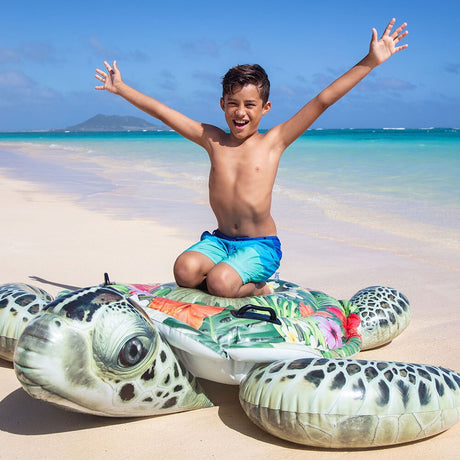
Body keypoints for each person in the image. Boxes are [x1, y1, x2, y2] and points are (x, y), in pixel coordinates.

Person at [95, 18, 408, 298]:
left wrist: (371, 61)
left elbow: (323, 100)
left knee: (218, 282)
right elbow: (165, 113)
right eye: (233, 103)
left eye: (249, 104)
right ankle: (227, 276)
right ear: (222, 104)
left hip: (259, 247)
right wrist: (122, 88)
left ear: (265, 108)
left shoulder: (274, 142)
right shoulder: (213, 140)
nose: (240, 112)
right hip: (219, 241)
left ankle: (260, 288)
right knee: (184, 270)